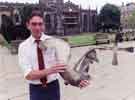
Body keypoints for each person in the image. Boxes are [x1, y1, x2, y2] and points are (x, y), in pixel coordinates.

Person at [18, 9, 89, 100]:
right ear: (28, 25)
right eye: (34, 24)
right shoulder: (23, 47)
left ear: (43, 25)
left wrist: (76, 82)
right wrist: (50, 70)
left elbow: (62, 69)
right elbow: (28, 74)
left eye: (40, 24)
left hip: (53, 87)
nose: (37, 27)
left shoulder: (55, 42)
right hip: (36, 90)